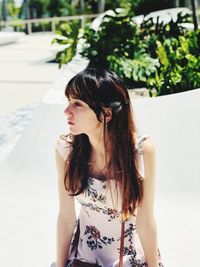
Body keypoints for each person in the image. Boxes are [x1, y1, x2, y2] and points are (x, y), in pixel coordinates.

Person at [54, 68, 164, 267]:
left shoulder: (141, 152)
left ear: (106, 114)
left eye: (77, 104)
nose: (66, 111)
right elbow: (66, 217)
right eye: (68, 102)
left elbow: (146, 222)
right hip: (84, 258)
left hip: (129, 260)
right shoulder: (66, 150)